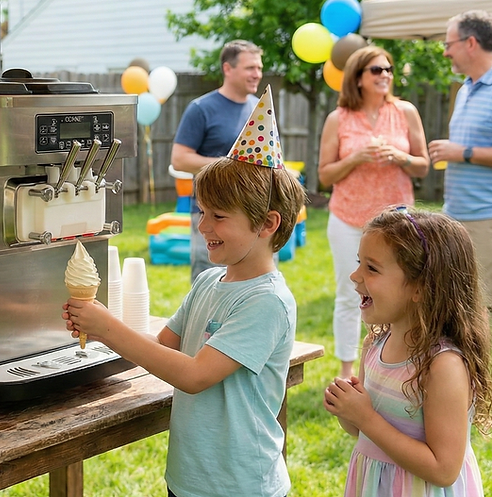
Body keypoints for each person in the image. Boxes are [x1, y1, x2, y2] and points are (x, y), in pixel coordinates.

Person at [66, 87, 306, 497]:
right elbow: (162, 347)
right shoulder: (210, 282)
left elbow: (194, 376)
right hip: (191, 479)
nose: (203, 226)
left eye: (218, 216)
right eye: (200, 212)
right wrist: (97, 332)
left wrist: (107, 328)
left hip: (240, 485)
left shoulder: (266, 302)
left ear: (267, 224)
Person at [323, 207, 492, 497]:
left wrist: (365, 418)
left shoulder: (442, 366)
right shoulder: (374, 345)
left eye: (371, 268)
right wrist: (349, 411)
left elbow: (443, 469)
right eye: (358, 263)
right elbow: (364, 432)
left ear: (420, 287)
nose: (355, 275)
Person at [318, 45, 429, 379]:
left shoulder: (405, 111)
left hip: (397, 222)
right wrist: (356, 158)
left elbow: (423, 165)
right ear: (358, 77)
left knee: (401, 292)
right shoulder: (338, 118)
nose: (385, 76)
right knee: (350, 292)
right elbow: (324, 175)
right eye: (377, 70)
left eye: (389, 70)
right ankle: (347, 369)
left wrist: (399, 156)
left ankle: (398, 360)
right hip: (348, 218)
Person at [171, 40, 265, 282]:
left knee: (250, 282)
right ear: (227, 69)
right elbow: (180, 159)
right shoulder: (201, 108)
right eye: (250, 68)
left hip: (252, 215)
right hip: (210, 214)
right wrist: (229, 166)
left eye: (259, 68)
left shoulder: (259, 110)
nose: (257, 74)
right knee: (208, 281)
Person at [428, 10, 492, 311]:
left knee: (479, 309)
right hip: (454, 215)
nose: (445, 51)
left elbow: (466, 150)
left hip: (484, 219)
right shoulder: (466, 88)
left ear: (470, 43)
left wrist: (462, 152)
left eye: (449, 43)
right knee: (456, 307)